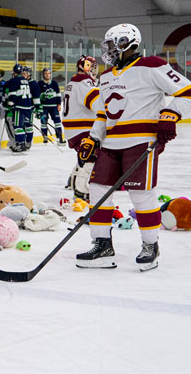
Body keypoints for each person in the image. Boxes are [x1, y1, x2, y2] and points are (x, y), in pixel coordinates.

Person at [76, 24, 191, 271]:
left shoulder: (151, 65)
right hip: (111, 143)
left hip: (141, 142)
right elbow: (103, 114)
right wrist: (93, 138)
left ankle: (151, 245)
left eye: (111, 44)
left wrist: (171, 113)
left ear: (128, 43)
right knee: (97, 190)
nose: (107, 49)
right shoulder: (105, 76)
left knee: (141, 195)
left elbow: (187, 91)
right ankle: (102, 245)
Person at [62, 55, 99, 201]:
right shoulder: (84, 82)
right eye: (92, 67)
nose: (95, 71)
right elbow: (96, 104)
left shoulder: (74, 82)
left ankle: (73, 181)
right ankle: (81, 190)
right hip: (82, 128)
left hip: (74, 128)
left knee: (85, 155)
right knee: (91, 156)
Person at [3, 63, 32, 154]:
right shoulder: (25, 80)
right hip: (27, 106)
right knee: (23, 126)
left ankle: (20, 144)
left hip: (19, 107)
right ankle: (24, 143)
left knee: (18, 126)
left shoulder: (14, 81)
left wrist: (10, 103)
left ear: (14, 72)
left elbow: (13, 94)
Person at [38, 68, 65, 145]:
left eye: (48, 73)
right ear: (43, 74)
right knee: (43, 122)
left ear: (50, 74)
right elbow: (37, 95)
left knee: (58, 123)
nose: (47, 74)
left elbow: (58, 94)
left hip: (53, 107)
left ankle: (59, 138)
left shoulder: (54, 83)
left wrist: (59, 104)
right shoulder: (39, 83)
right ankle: (45, 138)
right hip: (44, 107)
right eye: (45, 73)